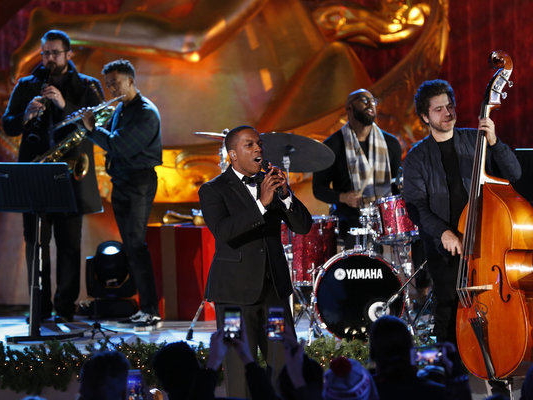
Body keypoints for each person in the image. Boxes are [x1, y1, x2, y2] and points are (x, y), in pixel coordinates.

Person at [403, 79, 522, 345]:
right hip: (446, 249)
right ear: (425, 116)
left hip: (487, 243)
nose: (448, 113)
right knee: (448, 309)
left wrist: (494, 142)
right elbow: (415, 206)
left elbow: (514, 174)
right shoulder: (416, 158)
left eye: (450, 106)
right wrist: (443, 232)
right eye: (439, 109)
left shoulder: (476, 139)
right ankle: (451, 371)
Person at [198, 125, 313, 397]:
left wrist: (285, 195)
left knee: (283, 363)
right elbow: (224, 232)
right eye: (249, 145)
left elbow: (304, 226)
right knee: (239, 369)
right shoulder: (213, 190)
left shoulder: (270, 183)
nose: (258, 148)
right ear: (233, 155)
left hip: (273, 293)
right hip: (235, 296)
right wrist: (261, 203)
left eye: (259, 143)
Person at [2, 30, 104, 322]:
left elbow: (98, 124)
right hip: (35, 174)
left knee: (69, 245)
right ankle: (39, 307)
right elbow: (8, 126)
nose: (48, 59)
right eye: (45, 53)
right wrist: (25, 116)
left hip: (71, 176)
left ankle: (65, 308)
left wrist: (63, 104)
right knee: (36, 243)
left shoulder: (87, 85)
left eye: (55, 53)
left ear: (69, 54)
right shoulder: (26, 85)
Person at [80, 59, 162, 327]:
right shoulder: (121, 110)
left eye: (115, 83)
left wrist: (91, 129)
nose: (111, 89)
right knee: (131, 247)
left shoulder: (146, 112)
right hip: (123, 182)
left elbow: (120, 145)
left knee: (137, 246)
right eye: (108, 84)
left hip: (139, 182)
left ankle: (151, 308)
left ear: (130, 81)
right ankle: (144, 307)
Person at [312, 88, 402, 248]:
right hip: (349, 222)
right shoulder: (332, 146)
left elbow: (397, 186)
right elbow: (318, 189)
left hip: (385, 221)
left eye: (373, 101)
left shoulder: (391, 143)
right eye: (363, 100)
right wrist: (343, 197)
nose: (370, 104)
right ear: (349, 108)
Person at [369, 315, 471, 400]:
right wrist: (456, 374)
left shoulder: (366, 393)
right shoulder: (435, 393)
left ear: (373, 352)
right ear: (411, 348)